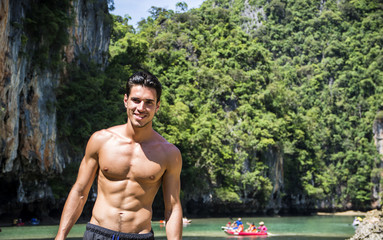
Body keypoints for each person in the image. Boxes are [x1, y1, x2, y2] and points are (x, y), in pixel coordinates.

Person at [55, 71, 183, 240]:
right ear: (125, 100)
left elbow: (172, 208)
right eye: (136, 100)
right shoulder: (101, 140)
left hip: (139, 236)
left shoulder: (169, 154)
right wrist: (60, 236)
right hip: (98, 233)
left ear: (157, 106)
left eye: (149, 103)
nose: (141, 108)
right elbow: (80, 191)